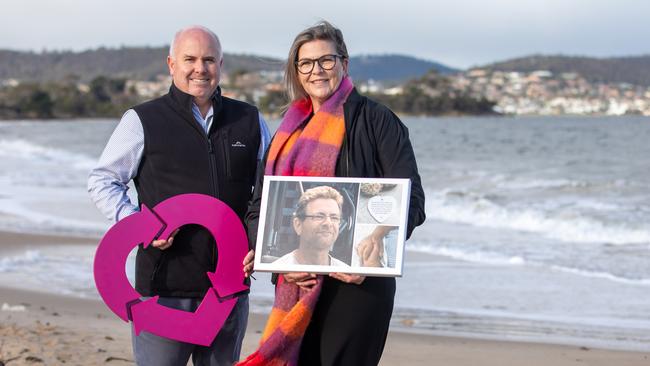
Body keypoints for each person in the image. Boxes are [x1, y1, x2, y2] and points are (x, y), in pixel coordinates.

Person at [242, 21, 425, 366]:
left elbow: (412, 201)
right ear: (296, 71)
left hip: (357, 286)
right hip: (298, 283)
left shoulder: (377, 121)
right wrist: (275, 259)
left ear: (344, 63)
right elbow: (259, 208)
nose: (317, 71)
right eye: (306, 63)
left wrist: (372, 261)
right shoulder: (287, 133)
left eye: (326, 60)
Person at [88, 25, 270, 366]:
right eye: (190, 59)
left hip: (228, 288)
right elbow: (103, 180)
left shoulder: (249, 120)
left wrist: (260, 241)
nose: (200, 68)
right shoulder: (142, 119)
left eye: (208, 60)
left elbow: (269, 191)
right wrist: (138, 226)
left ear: (221, 64)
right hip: (164, 289)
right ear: (171, 64)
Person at [273, 186, 349, 267]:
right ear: (298, 225)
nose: (328, 223)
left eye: (334, 217)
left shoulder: (347, 274)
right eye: (319, 216)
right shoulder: (276, 269)